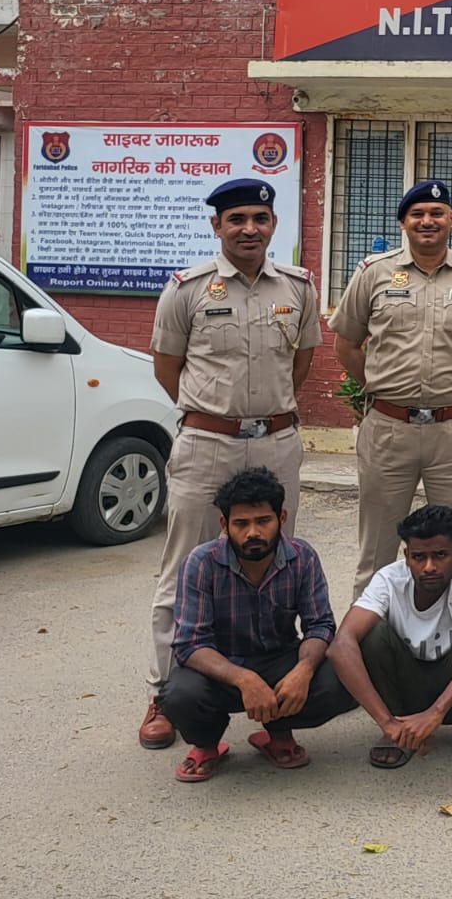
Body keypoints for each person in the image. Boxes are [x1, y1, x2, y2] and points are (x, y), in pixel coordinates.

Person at [141, 178, 321, 751]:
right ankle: (165, 693)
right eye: (236, 219)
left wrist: (262, 416)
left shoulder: (297, 287)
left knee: (276, 564)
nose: (249, 229)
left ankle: (273, 693)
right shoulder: (187, 289)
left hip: (275, 440)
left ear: (273, 225)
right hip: (207, 442)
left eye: (259, 219)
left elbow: (300, 363)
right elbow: (166, 366)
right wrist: (214, 416)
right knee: (182, 567)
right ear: (216, 225)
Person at [330, 179, 452, 596]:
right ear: (403, 223)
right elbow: (346, 344)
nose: (427, 221)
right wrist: (379, 389)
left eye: (436, 213)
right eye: (417, 214)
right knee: (377, 549)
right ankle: (371, 633)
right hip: (388, 430)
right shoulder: (373, 273)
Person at [157, 467, 356, 783]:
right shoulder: (200, 562)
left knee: (343, 681)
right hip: (221, 668)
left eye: (263, 521)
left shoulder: (302, 557)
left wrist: (303, 671)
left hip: (280, 662)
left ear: (282, 518)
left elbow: (320, 625)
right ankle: (207, 744)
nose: (253, 532)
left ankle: (278, 732)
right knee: (179, 695)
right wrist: (244, 679)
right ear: (224, 525)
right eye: (241, 524)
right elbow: (190, 643)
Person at [327, 504, 452, 768]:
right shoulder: (388, 579)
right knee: (372, 635)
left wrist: (436, 712)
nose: (429, 567)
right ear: (407, 556)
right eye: (419, 557)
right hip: (406, 686)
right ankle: (399, 728)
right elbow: (340, 646)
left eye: (440, 555)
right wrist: (386, 722)